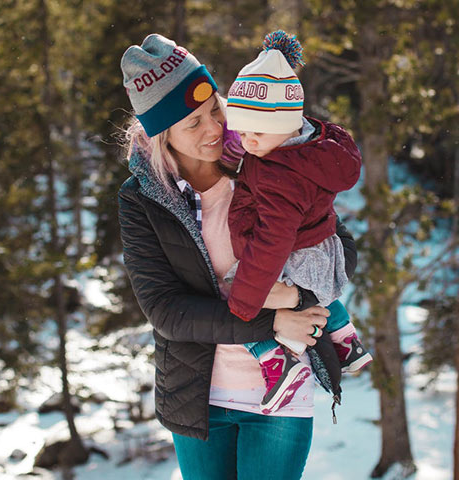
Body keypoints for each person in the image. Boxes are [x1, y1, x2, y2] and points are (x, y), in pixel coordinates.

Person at [118, 33, 357, 480]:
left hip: (282, 397)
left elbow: (339, 247)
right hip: (198, 398)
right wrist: (271, 321)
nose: (214, 129)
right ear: (161, 134)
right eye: (192, 124)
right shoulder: (142, 200)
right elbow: (167, 312)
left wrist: (299, 295)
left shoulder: (265, 155)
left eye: (214, 110)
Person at [224, 30, 372, 414]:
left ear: (286, 122)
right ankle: (343, 337)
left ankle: (278, 361)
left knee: (234, 289)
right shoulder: (312, 146)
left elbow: (273, 240)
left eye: (256, 131)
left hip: (297, 258)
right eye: (241, 131)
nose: (247, 141)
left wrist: (245, 300)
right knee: (308, 286)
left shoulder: (278, 174)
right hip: (323, 253)